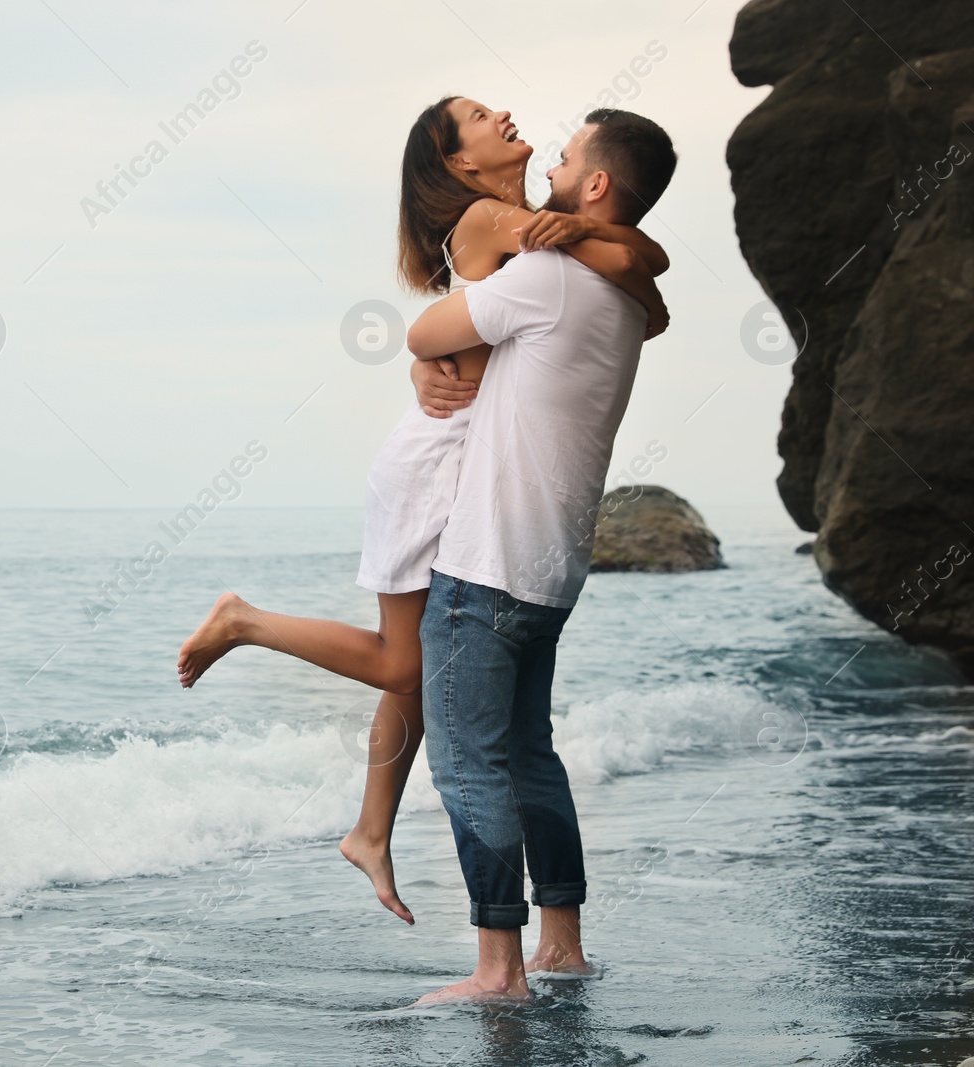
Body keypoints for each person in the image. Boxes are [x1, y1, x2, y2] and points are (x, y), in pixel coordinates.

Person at [175, 97, 670, 926]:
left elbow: (645, 285)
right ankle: (245, 622)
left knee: (417, 671)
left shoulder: (536, 228)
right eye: (479, 116)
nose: (507, 113)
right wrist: (585, 241)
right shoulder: (490, 217)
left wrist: (583, 234)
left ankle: (371, 829)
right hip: (435, 465)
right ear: (461, 164)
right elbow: (642, 272)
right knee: (409, 669)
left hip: (465, 461)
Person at [403, 108, 679, 1003]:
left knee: (467, 764)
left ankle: (498, 970)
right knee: (529, 755)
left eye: (567, 158)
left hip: (486, 561)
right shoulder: (624, 301)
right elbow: (651, 278)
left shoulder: (549, 274)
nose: (554, 163)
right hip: (553, 569)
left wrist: (422, 364)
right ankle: (562, 943)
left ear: (596, 185)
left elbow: (424, 333)